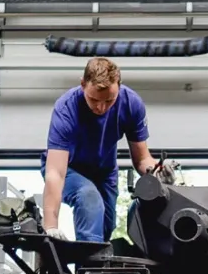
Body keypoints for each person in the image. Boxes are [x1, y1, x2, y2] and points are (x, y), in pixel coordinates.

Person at [42, 57, 158, 242]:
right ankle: (89, 271)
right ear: (82, 84)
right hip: (69, 169)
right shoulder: (66, 109)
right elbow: (55, 172)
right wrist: (50, 226)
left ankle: (97, 265)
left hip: (104, 172)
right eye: (94, 99)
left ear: (119, 87)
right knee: (88, 197)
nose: (101, 107)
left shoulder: (131, 104)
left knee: (105, 228)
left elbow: (142, 160)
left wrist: (157, 174)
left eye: (109, 100)